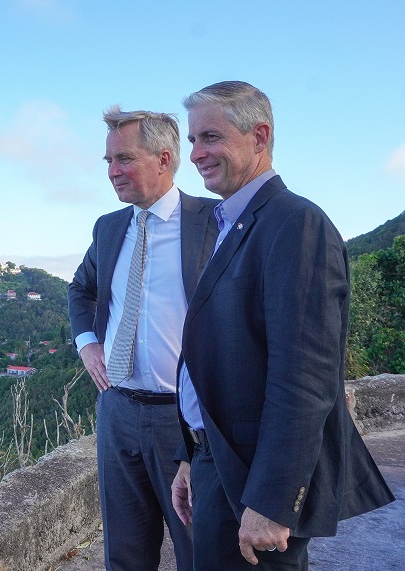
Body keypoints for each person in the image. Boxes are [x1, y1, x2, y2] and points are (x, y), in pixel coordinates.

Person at [171, 81, 395, 570]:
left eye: (210, 137)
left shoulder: (295, 224)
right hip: (220, 462)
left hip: (254, 484)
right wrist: (192, 454)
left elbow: (305, 378)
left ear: (259, 136)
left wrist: (273, 502)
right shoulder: (234, 222)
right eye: (192, 140)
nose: (196, 154)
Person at [68, 106, 218, 571]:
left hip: (185, 420)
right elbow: (80, 288)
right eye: (108, 161)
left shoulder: (213, 223)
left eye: (124, 159)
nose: (113, 172)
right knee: (125, 553)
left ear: (164, 159)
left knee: (199, 549)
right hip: (117, 410)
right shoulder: (110, 227)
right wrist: (87, 341)